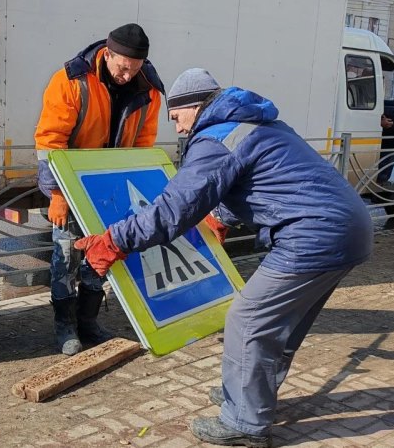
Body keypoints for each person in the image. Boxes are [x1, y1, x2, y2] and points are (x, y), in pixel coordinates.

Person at [74, 68, 373, 447]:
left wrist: (115, 240)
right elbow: (262, 180)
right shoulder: (258, 124)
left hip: (313, 235)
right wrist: (222, 218)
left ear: (194, 107)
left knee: (248, 321)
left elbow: (172, 210)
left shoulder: (216, 138)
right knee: (283, 324)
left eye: (176, 117)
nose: (179, 130)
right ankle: (252, 399)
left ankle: (245, 424)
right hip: (350, 229)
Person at [34, 23, 164, 356]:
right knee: (65, 257)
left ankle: (88, 321)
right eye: (122, 67)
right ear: (107, 54)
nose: (126, 75)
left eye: (134, 69)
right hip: (71, 188)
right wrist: (58, 195)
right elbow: (50, 144)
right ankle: (65, 327)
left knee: (102, 256)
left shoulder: (149, 90)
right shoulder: (70, 81)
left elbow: (144, 146)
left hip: (112, 190)